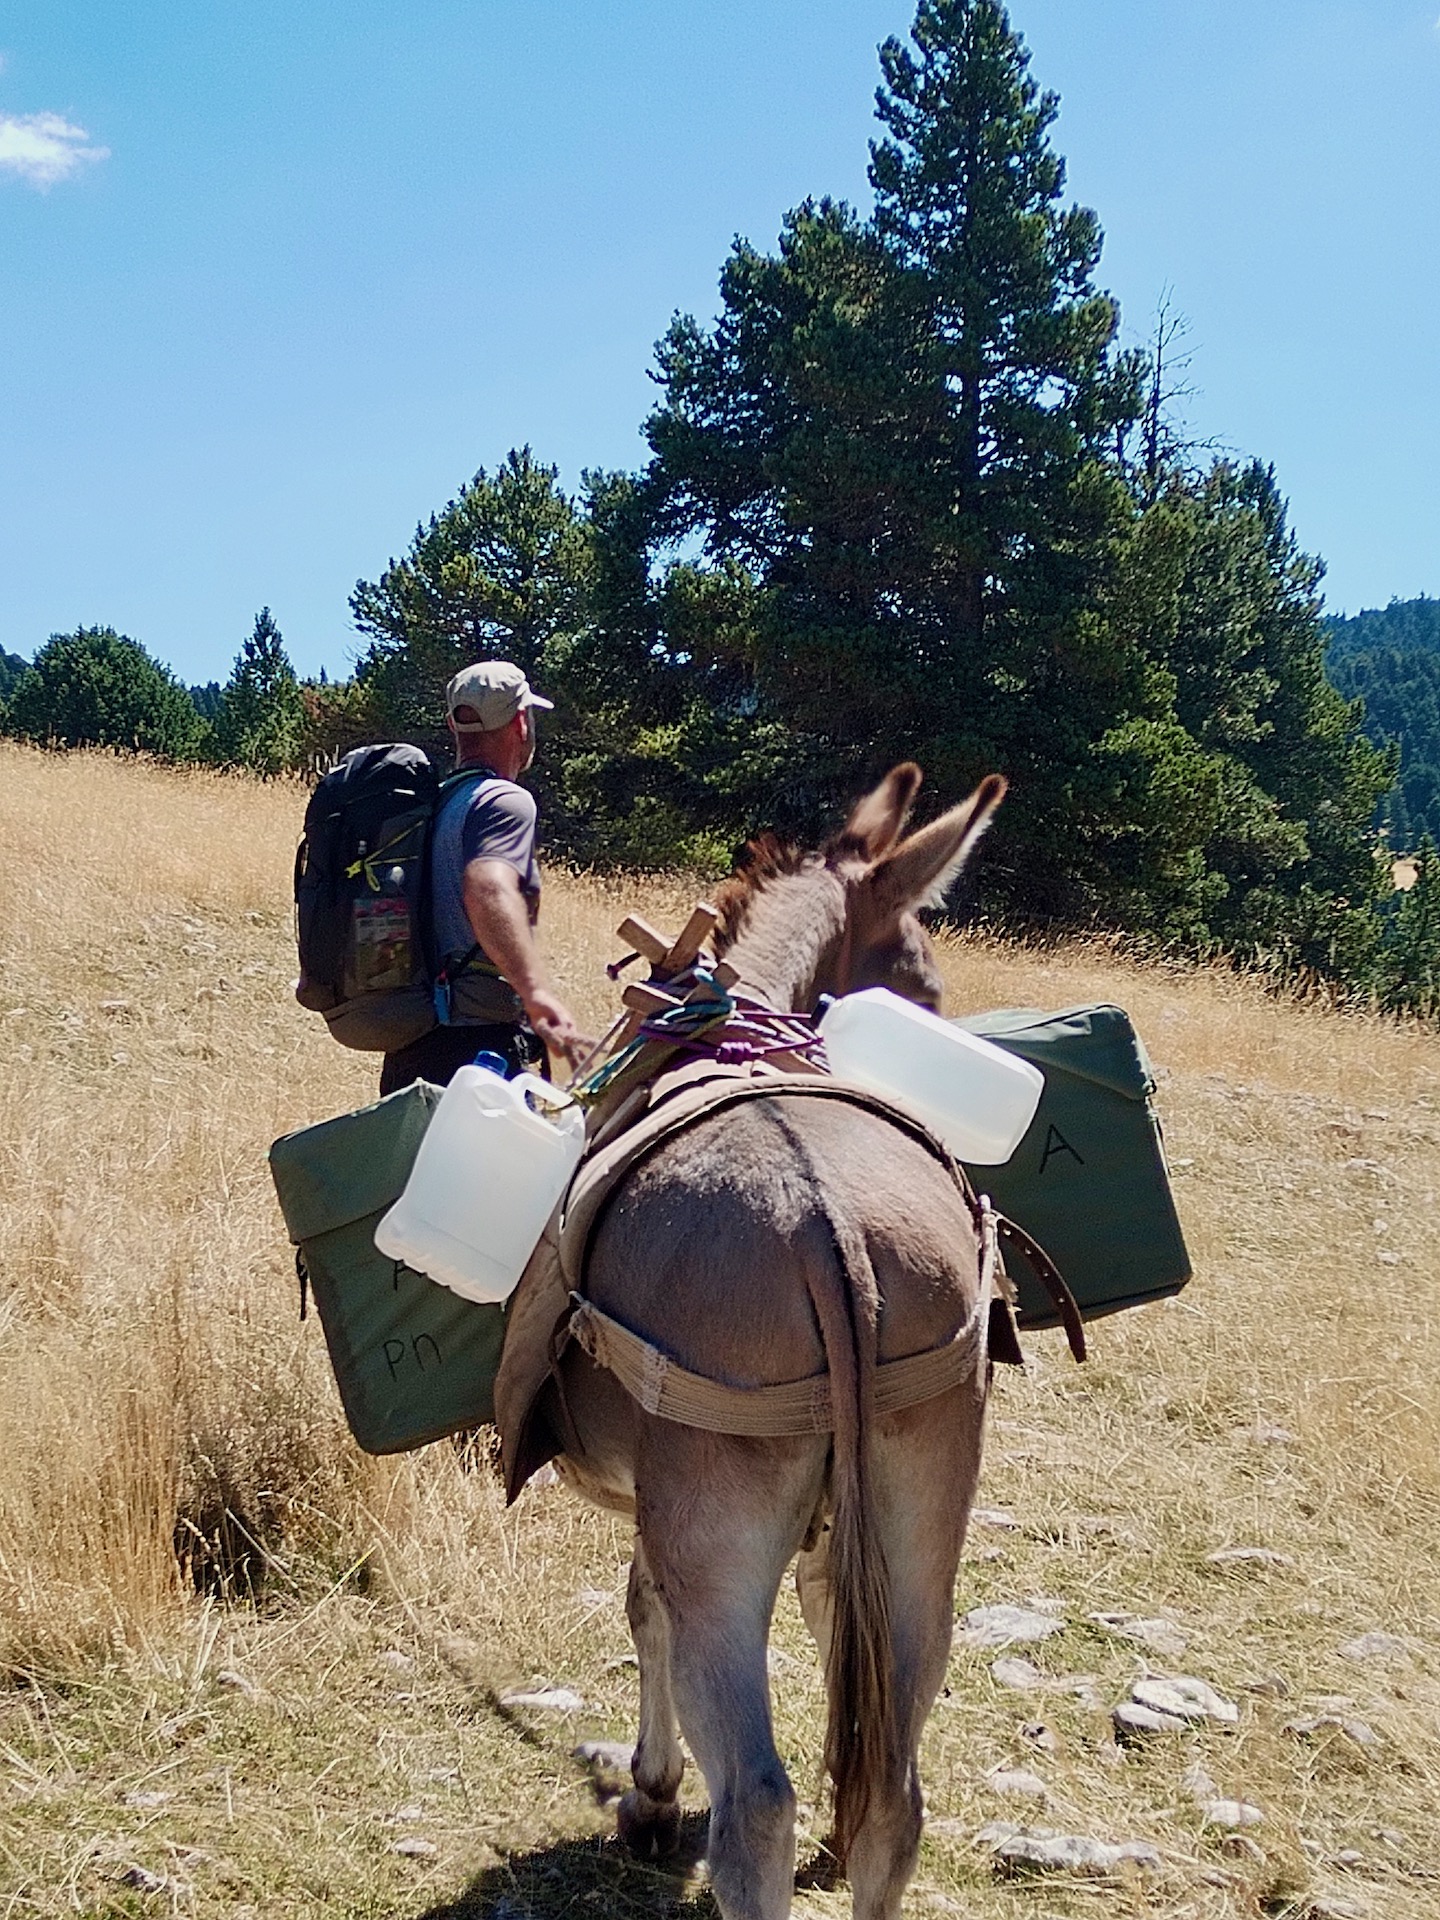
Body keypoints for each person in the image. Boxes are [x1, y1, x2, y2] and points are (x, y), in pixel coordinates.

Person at [378, 660, 588, 1095]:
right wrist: (535, 993)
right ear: (521, 722)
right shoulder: (504, 801)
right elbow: (487, 887)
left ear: (454, 726)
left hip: (408, 1051)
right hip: (477, 1051)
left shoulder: (433, 806)